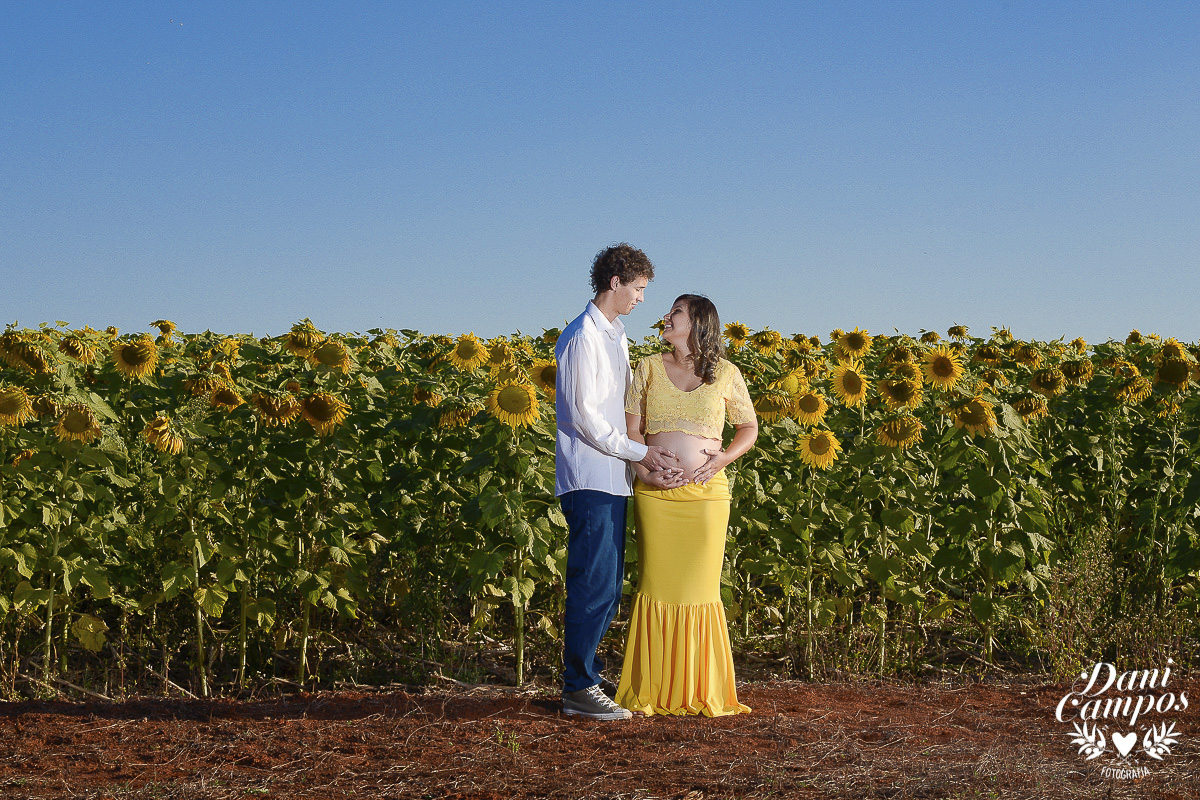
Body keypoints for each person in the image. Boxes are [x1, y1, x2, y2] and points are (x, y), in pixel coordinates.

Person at [555, 243, 683, 720]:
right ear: (616, 283)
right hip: (588, 476)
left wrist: (640, 462)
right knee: (592, 583)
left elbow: (622, 409)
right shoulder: (580, 338)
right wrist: (640, 452)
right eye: (640, 288)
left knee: (608, 586)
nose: (643, 299)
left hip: (614, 477)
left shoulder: (616, 335)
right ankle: (577, 688)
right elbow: (586, 419)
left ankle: (584, 675)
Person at [615, 293, 758, 716]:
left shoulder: (727, 373)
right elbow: (632, 431)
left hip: (707, 497)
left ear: (697, 322)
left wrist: (723, 459)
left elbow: (748, 427)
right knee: (656, 588)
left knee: (700, 590)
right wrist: (643, 471)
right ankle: (654, 691)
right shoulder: (647, 367)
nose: (665, 316)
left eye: (675, 311)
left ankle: (701, 689)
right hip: (656, 496)